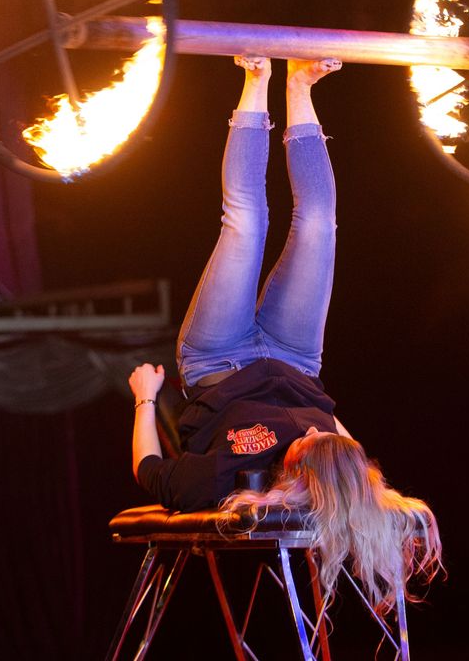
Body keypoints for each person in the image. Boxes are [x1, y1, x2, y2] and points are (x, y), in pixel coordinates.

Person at [129, 56, 443, 614]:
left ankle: (254, 82)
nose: (311, 433)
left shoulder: (233, 479)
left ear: (299, 471)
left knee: (246, 223)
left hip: (216, 358)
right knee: (320, 223)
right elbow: (363, 467)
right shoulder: (341, 457)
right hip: (296, 357)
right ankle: (300, 84)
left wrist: (146, 400)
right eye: (329, 439)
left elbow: (151, 474)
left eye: (310, 444)